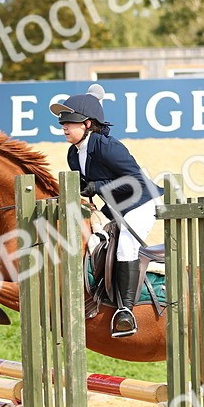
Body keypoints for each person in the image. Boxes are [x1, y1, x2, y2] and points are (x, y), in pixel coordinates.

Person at [52, 84, 162, 338]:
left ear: (88, 124)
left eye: (71, 122)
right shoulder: (73, 153)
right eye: (63, 123)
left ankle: (126, 311)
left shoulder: (107, 146)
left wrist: (98, 185)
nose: (65, 127)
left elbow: (137, 180)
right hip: (116, 208)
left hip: (141, 202)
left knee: (125, 246)